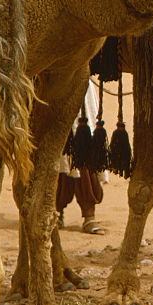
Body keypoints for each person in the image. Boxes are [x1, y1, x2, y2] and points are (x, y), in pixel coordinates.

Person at [56, 82, 108, 235]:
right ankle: (55, 212)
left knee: (85, 154)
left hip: (81, 91)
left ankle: (89, 215)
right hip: (53, 86)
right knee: (57, 156)